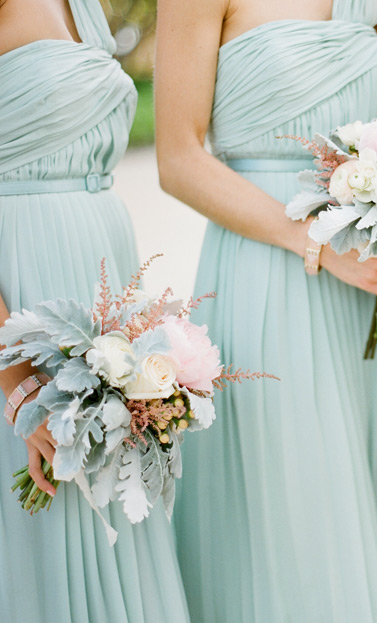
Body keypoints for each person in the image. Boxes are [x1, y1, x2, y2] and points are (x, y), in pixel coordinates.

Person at [154, 0, 377, 620]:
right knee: (295, 515)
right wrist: (315, 242)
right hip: (268, 266)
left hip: (373, 283)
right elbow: (178, 159)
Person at [0, 1, 189, 621]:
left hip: (102, 283)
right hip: (24, 293)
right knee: (50, 528)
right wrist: (19, 388)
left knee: (115, 501)